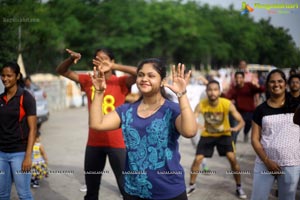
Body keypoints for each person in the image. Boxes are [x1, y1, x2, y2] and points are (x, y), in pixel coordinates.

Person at [89, 58, 197, 200]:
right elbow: (97, 124)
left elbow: (189, 132)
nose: (144, 79)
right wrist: (98, 92)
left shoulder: (172, 110)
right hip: (133, 191)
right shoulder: (126, 111)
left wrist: (181, 94)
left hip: (169, 191)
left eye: (151, 76)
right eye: (140, 75)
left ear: (163, 81)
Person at [56, 48, 137, 200]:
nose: (101, 61)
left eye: (105, 58)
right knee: (91, 191)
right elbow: (62, 71)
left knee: (126, 189)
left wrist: (114, 67)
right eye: (97, 58)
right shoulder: (88, 80)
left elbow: (139, 72)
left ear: (112, 61)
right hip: (94, 143)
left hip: (117, 143)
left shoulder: (121, 82)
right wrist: (70, 60)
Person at [187, 80, 247, 199]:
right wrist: (197, 125)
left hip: (224, 134)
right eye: (210, 90)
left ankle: (239, 186)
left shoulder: (226, 103)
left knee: (232, 158)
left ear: (219, 92)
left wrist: (235, 128)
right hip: (207, 135)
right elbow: (193, 119)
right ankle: (191, 185)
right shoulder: (201, 104)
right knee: (198, 159)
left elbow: (241, 121)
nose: (212, 92)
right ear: (206, 91)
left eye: (215, 90)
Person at [251, 69, 300, 200]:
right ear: (267, 85)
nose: (276, 84)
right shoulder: (260, 110)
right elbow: (255, 139)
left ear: (286, 84)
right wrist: (267, 161)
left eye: (280, 81)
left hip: (292, 163)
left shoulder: (296, 106)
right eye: (272, 82)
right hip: (264, 163)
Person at [0, 62, 37, 199]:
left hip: (20, 154)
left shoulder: (26, 98)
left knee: (24, 194)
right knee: (2, 195)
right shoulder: (0, 99)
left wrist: (28, 156)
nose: (5, 79)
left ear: (17, 76)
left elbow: (33, 129)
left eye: (9, 75)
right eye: (3, 75)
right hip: (1, 154)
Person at [224, 71, 265, 143]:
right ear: (234, 79)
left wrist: (258, 85)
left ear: (243, 78)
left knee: (248, 126)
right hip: (238, 112)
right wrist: (222, 93)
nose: (238, 79)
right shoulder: (234, 88)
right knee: (234, 132)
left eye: (240, 77)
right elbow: (227, 98)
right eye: (236, 78)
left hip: (249, 112)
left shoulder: (249, 85)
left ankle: (246, 133)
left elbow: (261, 90)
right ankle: (232, 148)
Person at [31, 123, 48, 188]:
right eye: (38, 137)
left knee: (36, 172)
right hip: (34, 162)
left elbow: (43, 153)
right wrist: (46, 159)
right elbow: (43, 153)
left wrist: (45, 159)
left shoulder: (37, 145)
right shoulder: (36, 145)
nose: (39, 139)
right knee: (34, 172)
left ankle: (35, 181)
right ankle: (33, 180)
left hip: (37, 162)